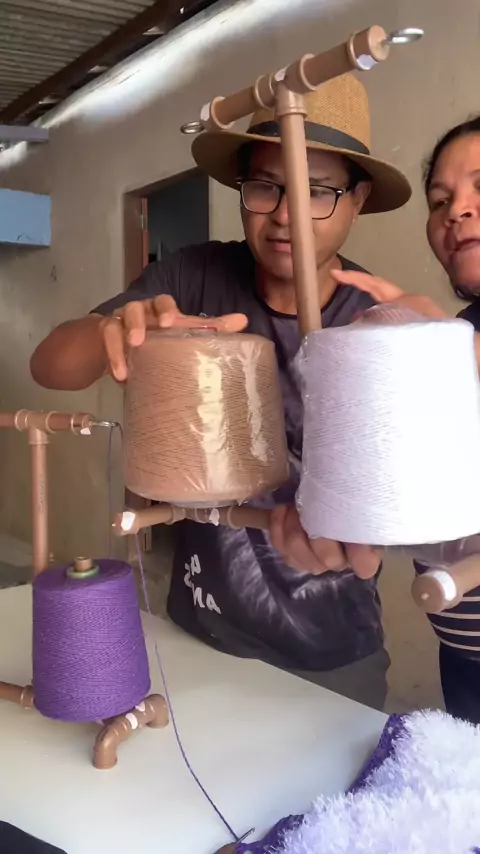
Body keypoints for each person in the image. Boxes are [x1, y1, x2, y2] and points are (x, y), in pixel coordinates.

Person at [30, 74, 412, 711]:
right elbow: (52, 367)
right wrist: (113, 329)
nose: (285, 214)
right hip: (198, 628)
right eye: (265, 186)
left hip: (332, 652)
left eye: (317, 191)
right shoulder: (192, 277)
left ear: (357, 199)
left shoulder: (377, 325)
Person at [331, 115, 480, 723]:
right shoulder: (464, 329)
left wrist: (444, 345)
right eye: (440, 200)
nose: (456, 211)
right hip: (464, 660)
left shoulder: (454, 339)